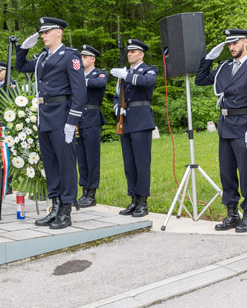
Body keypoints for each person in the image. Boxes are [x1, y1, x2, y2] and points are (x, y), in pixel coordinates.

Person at [195, 29, 247, 232]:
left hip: (245, 123)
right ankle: (231, 213)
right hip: (226, 124)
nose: (231, 47)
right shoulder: (224, 67)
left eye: (235, 43)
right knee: (226, 173)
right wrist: (209, 58)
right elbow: (200, 80)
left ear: (245, 42)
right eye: (229, 44)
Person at [15, 17, 86, 229]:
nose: (43, 36)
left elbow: (79, 91)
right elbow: (21, 67)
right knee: (51, 165)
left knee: (66, 165)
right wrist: (23, 49)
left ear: (59, 33)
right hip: (45, 115)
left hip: (62, 114)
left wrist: (72, 121)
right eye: (42, 32)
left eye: (47, 32)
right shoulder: (43, 58)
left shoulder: (70, 56)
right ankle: (54, 206)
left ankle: (66, 209)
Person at [111, 39, 156, 218]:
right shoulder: (125, 72)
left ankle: (143, 201)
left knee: (141, 163)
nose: (129, 54)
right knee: (129, 164)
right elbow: (117, 96)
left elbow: (147, 82)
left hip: (142, 121)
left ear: (141, 54)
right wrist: (117, 109)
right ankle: (133, 199)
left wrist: (126, 76)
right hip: (127, 122)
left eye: (133, 51)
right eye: (128, 51)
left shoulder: (149, 69)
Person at [74, 45, 108, 207]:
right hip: (78, 119)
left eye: (85, 57)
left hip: (92, 119)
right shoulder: (78, 75)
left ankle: (92, 192)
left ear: (93, 59)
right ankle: (84, 190)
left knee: (92, 157)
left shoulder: (99, 73)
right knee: (81, 158)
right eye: (81, 57)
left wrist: (80, 81)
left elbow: (100, 83)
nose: (82, 60)